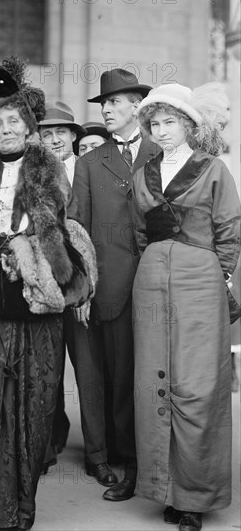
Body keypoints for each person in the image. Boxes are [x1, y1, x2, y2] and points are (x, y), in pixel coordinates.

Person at [0, 57, 96, 531]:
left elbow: (49, 226)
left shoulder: (45, 165)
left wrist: (18, 249)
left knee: (29, 398)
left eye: (13, 120)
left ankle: (14, 511)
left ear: (28, 126)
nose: (5, 128)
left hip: (30, 291)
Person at [131, 83, 240, 531]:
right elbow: (139, 231)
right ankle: (164, 489)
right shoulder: (143, 174)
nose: (161, 130)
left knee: (196, 384)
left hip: (200, 282)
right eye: (154, 124)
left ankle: (194, 496)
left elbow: (229, 229)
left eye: (169, 121)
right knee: (154, 380)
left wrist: (222, 275)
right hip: (152, 279)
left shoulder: (213, 169)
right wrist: (155, 264)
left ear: (189, 124)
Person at [71, 68, 161, 501]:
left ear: (136, 108)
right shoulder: (90, 162)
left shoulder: (163, 153)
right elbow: (77, 228)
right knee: (111, 375)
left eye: (114, 102)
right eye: (103, 104)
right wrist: (84, 285)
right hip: (106, 288)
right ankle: (118, 460)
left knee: (147, 374)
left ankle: (148, 459)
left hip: (155, 284)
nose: (107, 109)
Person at [37, 101, 86, 473]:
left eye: (61, 133)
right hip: (46, 282)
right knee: (46, 364)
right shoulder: (35, 173)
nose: (54, 139)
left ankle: (100, 449)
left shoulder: (87, 169)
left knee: (87, 367)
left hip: (82, 283)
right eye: (47, 133)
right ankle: (49, 439)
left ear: (73, 136)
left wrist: (88, 287)